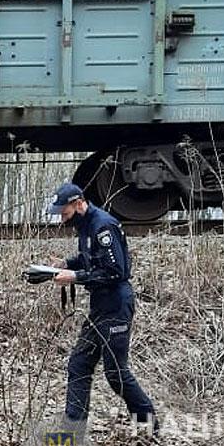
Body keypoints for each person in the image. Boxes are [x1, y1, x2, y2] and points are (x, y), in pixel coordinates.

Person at [46, 182, 157, 431]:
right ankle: (73, 429)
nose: (62, 219)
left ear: (78, 204)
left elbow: (115, 271)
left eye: (64, 213)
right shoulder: (86, 226)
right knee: (79, 364)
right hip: (99, 306)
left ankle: (149, 425)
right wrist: (67, 264)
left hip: (116, 305)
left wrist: (75, 277)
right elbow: (92, 259)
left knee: (116, 373)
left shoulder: (103, 226)